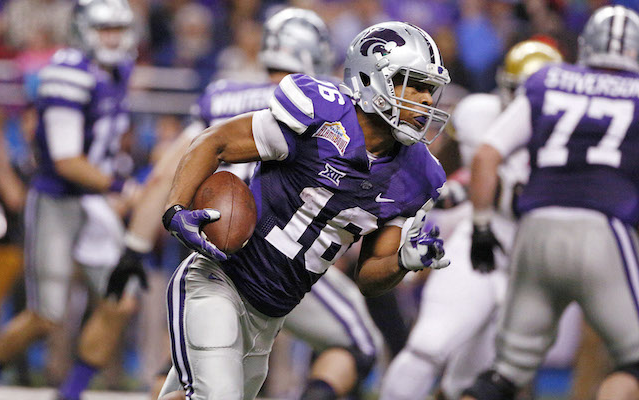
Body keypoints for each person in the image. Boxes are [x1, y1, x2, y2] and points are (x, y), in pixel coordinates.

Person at [157, 20, 451, 400]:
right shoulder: (320, 115)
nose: (426, 100)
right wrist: (175, 209)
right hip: (217, 285)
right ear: (372, 78)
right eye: (413, 83)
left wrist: (402, 262)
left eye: (430, 89)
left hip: (269, 319)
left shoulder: (416, 174)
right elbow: (216, 142)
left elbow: (369, 276)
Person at [109, 8, 383, 400]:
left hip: (209, 241)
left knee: (205, 365)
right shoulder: (328, 104)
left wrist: (135, 246)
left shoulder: (224, 95)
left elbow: (166, 171)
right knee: (360, 344)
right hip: (277, 250)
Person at [461, 5, 639, 400]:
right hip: (603, 229)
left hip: (535, 228)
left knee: (504, 374)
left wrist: (482, 227)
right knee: (633, 363)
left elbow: (485, 155)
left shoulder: (549, 81)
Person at [378, 38, 570, 400]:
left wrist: (473, 189)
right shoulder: (478, 114)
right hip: (481, 251)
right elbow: (444, 168)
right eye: (519, 93)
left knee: (482, 385)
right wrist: (443, 192)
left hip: (534, 270)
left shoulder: (576, 136)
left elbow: (514, 195)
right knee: (427, 349)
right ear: (502, 86)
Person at [0, 2, 140, 400]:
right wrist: (118, 187)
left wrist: (111, 182)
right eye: (104, 28)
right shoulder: (67, 74)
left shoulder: (117, 69)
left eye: (118, 27)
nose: (112, 36)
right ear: (82, 30)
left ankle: (70, 393)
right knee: (46, 317)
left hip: (94, 200)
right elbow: (66, 160)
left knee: (120, 302)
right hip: (58, 201)